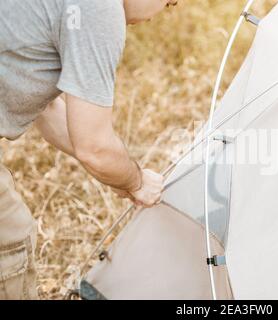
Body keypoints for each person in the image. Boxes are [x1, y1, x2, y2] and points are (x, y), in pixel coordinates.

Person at [0, 0, 178, 300]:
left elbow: (48, 109)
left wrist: (117, 176)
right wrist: (136, 181)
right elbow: (95, 148)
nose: (168, 10)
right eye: (171, 2)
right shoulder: (102, 11)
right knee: (10, 239)